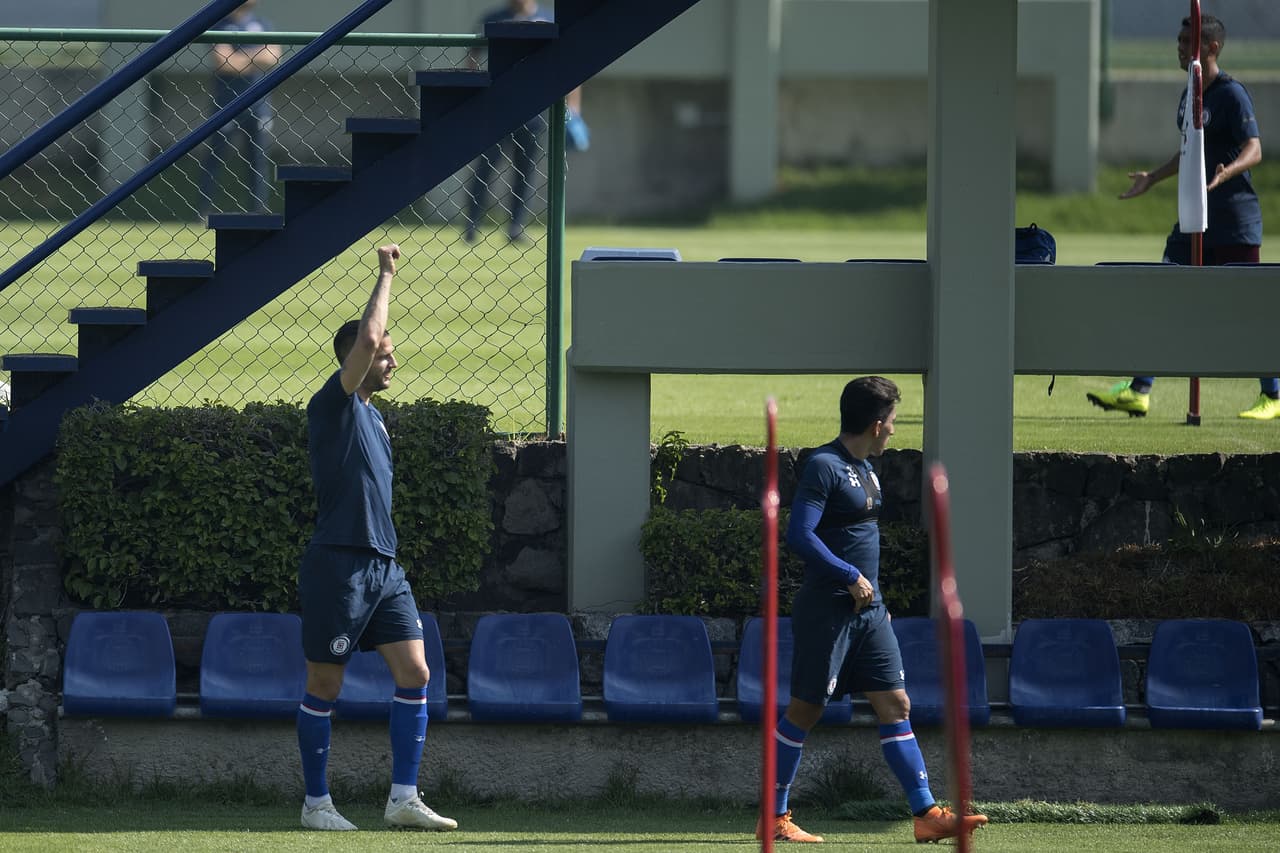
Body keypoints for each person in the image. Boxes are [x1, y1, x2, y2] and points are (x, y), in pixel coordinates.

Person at [760, 377, 988, 845]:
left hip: (871, 612)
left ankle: (927, 815)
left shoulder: (866, 469)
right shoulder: (823, 465)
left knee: (896, 703)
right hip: (828, 610)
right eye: (893, 422)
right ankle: (774, 817)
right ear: (876, 424)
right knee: (805, 710)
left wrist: (873, 597)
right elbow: (800, 534)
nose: (894, 431)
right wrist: (848, 574)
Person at [294, 244, 457, 833]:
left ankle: (403, 799)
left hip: (385, 569)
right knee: (325, 683)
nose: (393, 363)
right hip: (338, 567)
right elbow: (366, 338)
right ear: (357, 360)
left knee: (416, 673)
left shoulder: (377, 418)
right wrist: (386, 274)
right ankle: (316, 805)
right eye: (386, 355)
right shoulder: (331, 406)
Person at [1087, 13, 1274, 420]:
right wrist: (1152, 178)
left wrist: (1227, 171)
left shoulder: (1231, 94)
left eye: (1188, 41)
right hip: (1193, 218)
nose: (1179, 47)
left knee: (1248, 311)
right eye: (1178, 40)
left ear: (1212, 47)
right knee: (1164, 297)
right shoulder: (1190, 93)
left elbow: (1255, 149)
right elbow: (1190, 149)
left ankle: (1274, 396)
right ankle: (1139, 391)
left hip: (1234, 222)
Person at [462, 0, 586, 245]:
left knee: (525, 171)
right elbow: (473, 54)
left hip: (533, 108)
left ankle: (515, 227)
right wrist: (475, 90)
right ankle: (471, 225)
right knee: (485, 167)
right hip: (497, 107)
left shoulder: (548, 19)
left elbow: (570, 62)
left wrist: (574, 107)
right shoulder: (495, 16)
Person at [197, 0, 279, 216]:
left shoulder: (262, 24)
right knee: (215, 158)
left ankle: (258, 211)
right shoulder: (220, 26)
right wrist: (256, 55)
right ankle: (203, 211)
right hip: (226, 105)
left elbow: (273, 57)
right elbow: (225, 63)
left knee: (258, 161)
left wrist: (240, 58)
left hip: (258, 104)